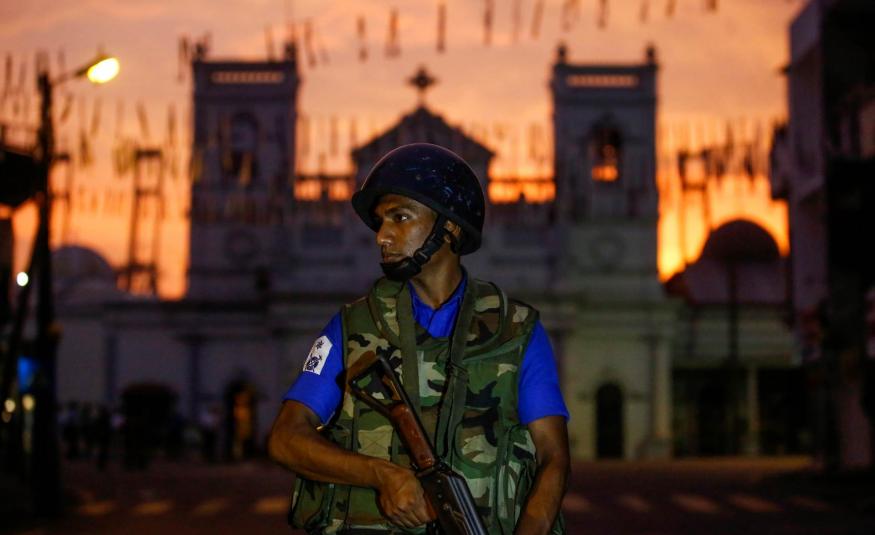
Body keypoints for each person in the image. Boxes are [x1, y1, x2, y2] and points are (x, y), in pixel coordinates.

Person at [268, 143, 569, 535]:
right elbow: (286, 437)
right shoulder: (352, 327)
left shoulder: (516, 331)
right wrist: (381, 475)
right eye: (380, 222)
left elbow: (552, 457)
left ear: (451, 228)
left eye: (400, 217)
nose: (382, 236)